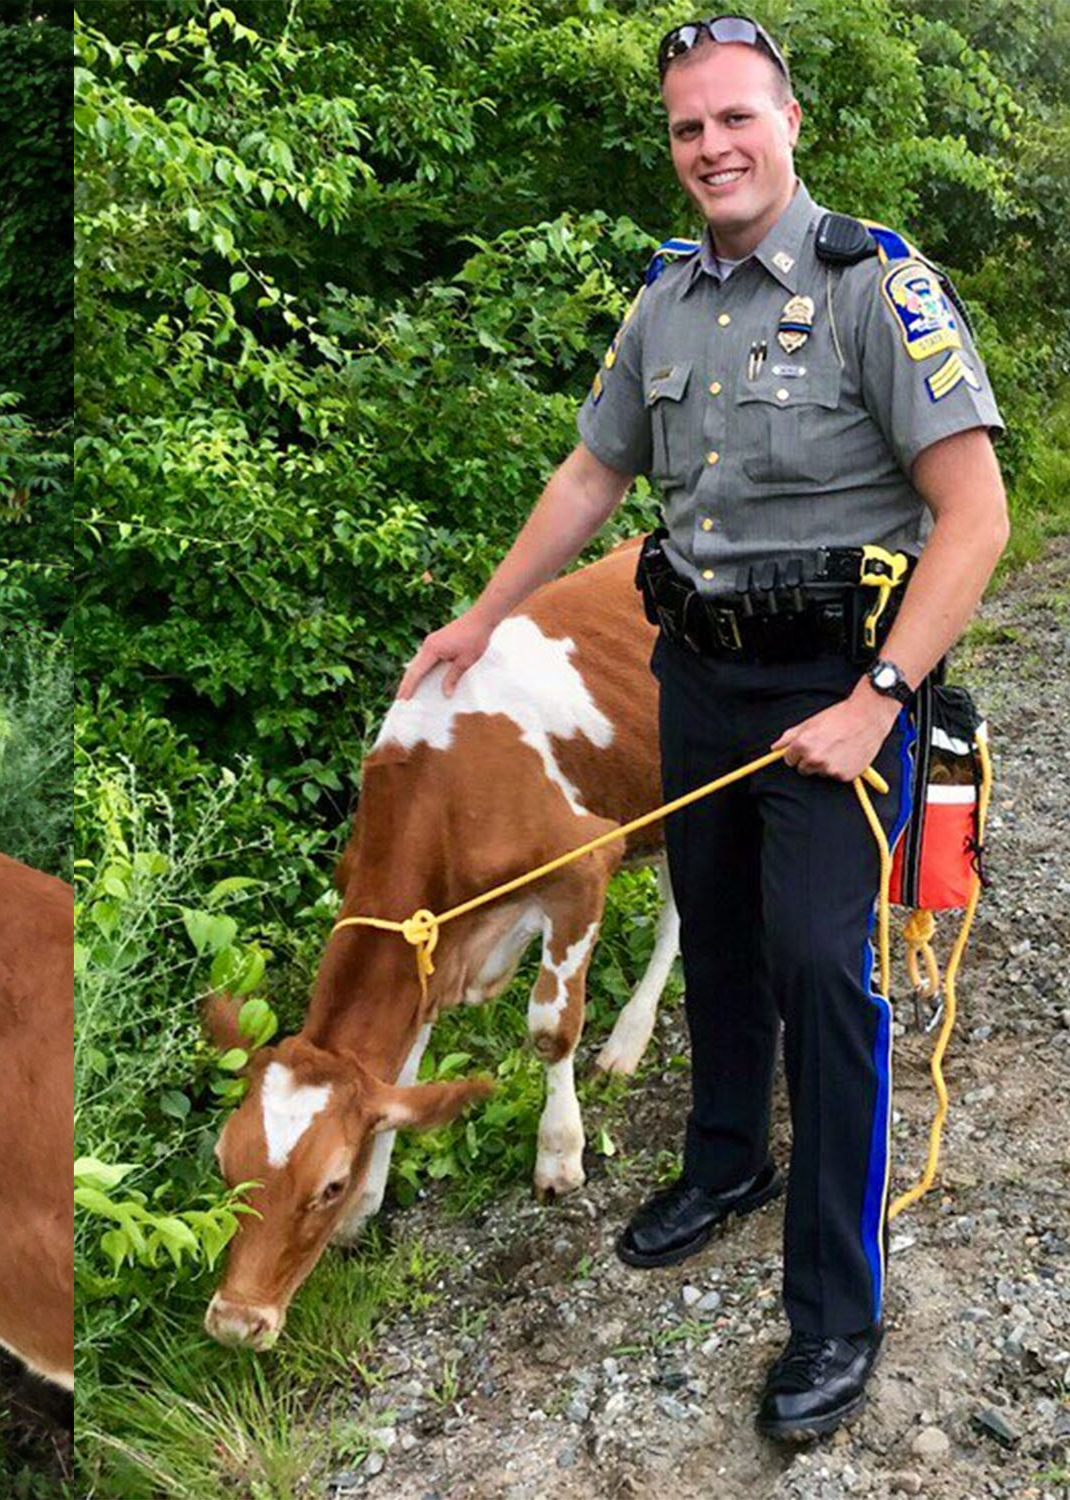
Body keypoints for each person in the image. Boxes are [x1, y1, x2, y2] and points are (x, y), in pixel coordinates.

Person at [396, 18, 1008, 1441]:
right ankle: (728, 1156)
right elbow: (593, 470)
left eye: (737, 118)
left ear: (790, 121)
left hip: (845, 688)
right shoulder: (665, 305)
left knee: (817, 963)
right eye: (688, 129)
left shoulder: (876, 286)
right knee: (718, 932)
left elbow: (972, 516)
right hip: (700, 674)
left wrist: (881, 701)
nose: (713, 148)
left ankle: (838, 1306)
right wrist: (485, 615)